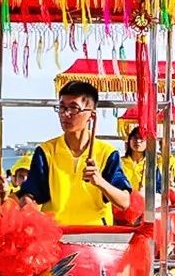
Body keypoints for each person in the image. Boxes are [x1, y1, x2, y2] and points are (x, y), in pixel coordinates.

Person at [17, 80, 131, 225]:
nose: (65, 114)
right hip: (56, 236)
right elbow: (30, 195)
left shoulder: (107, 153)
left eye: (74, 108)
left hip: (96, 237)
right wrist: (28, 209)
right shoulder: (46, 151)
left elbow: (124, 202)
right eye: (62, 107)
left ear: (91, 115)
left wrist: (100, 182)